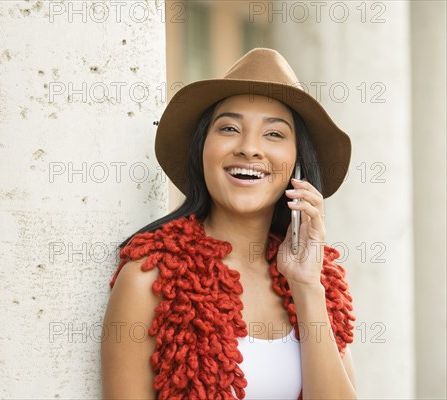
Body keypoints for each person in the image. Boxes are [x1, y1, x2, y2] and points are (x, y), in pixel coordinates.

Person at [101, 48, 357, 399]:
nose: (249, 148)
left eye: (274, 134)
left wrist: (306, 287)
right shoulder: (152, 277)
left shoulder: (321, 277)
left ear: (298, 165)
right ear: (202, 149)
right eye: (230, 128)